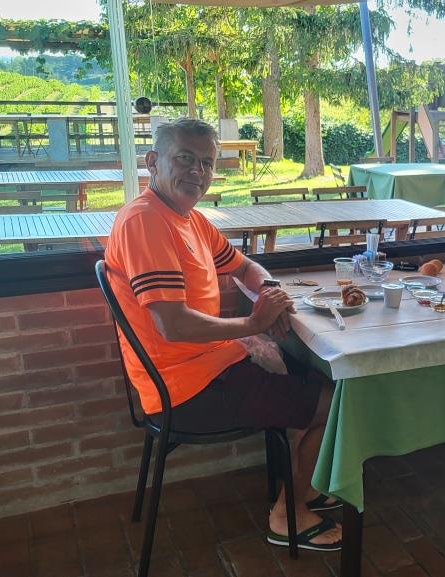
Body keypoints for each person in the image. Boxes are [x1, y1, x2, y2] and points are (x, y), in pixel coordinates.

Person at [104, 118, 341, 551]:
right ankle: (287, 515)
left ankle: (303, 488)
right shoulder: (145, 221)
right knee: (333, 403)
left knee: (313, 381)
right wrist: (254, 324)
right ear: (152, 162)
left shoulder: (189, 219)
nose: (197, 171)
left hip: (209, 366)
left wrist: (269, 293)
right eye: (185, 159)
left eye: (207, 163)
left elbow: (245, 266)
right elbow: (173, 324)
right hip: (183, 391)